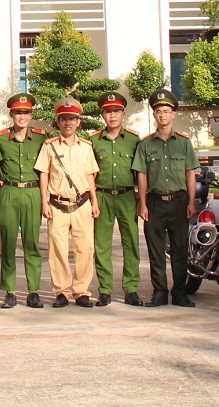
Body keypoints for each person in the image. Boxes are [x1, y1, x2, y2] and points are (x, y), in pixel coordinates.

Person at [132, 88, 199, 307]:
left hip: (179, 201)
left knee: (180, 249)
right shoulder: (145, 144)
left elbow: (191, 173)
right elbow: (141, 175)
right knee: (156, 249)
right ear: (154, 115)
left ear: (173, 115)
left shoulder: (184, 143)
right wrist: (142, 203)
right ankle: (159, 291)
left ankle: (179, 291)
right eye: (159, 111)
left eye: (166, 111)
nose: (162, 115)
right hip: (154, 202)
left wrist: (191, 201)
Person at [35, 97, 99, 307]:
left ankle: (81, 291)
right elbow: (43, 174)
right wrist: (45, 202)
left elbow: (90, 175)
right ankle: (61, 292)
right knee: (58, 249)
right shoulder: (49, 146)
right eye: (64, 119)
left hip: (82, 203)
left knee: (85, 248)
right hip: (57, 204)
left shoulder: (86, 147)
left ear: (78, 122)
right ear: (58, 122)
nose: (68, 123)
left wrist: (95, 202)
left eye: (72, 119)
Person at [0, 92, 48, 308]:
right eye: (18, 113)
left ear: (31, 114)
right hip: (9, 192)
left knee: (31, 243)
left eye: (25, 113)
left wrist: (45, 200)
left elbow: (46, 168)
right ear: (11, 114)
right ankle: (10, 291)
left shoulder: (41, 138)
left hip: (32, 192)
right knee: (8, 243)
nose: (22, 117)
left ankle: (33, 290)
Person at [90, 89, 142, 306]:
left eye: (116, 111)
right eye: (107, 112)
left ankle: (131, 289)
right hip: (102, 196)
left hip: (127, 196)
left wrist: (142, 201)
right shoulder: (93, 140)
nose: (112, 116)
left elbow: (140, 173)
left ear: (123, 114)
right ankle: (105, 290)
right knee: (102, 245)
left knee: (131, 243)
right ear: (102, 115)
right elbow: (90, 173)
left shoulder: (133, 140)